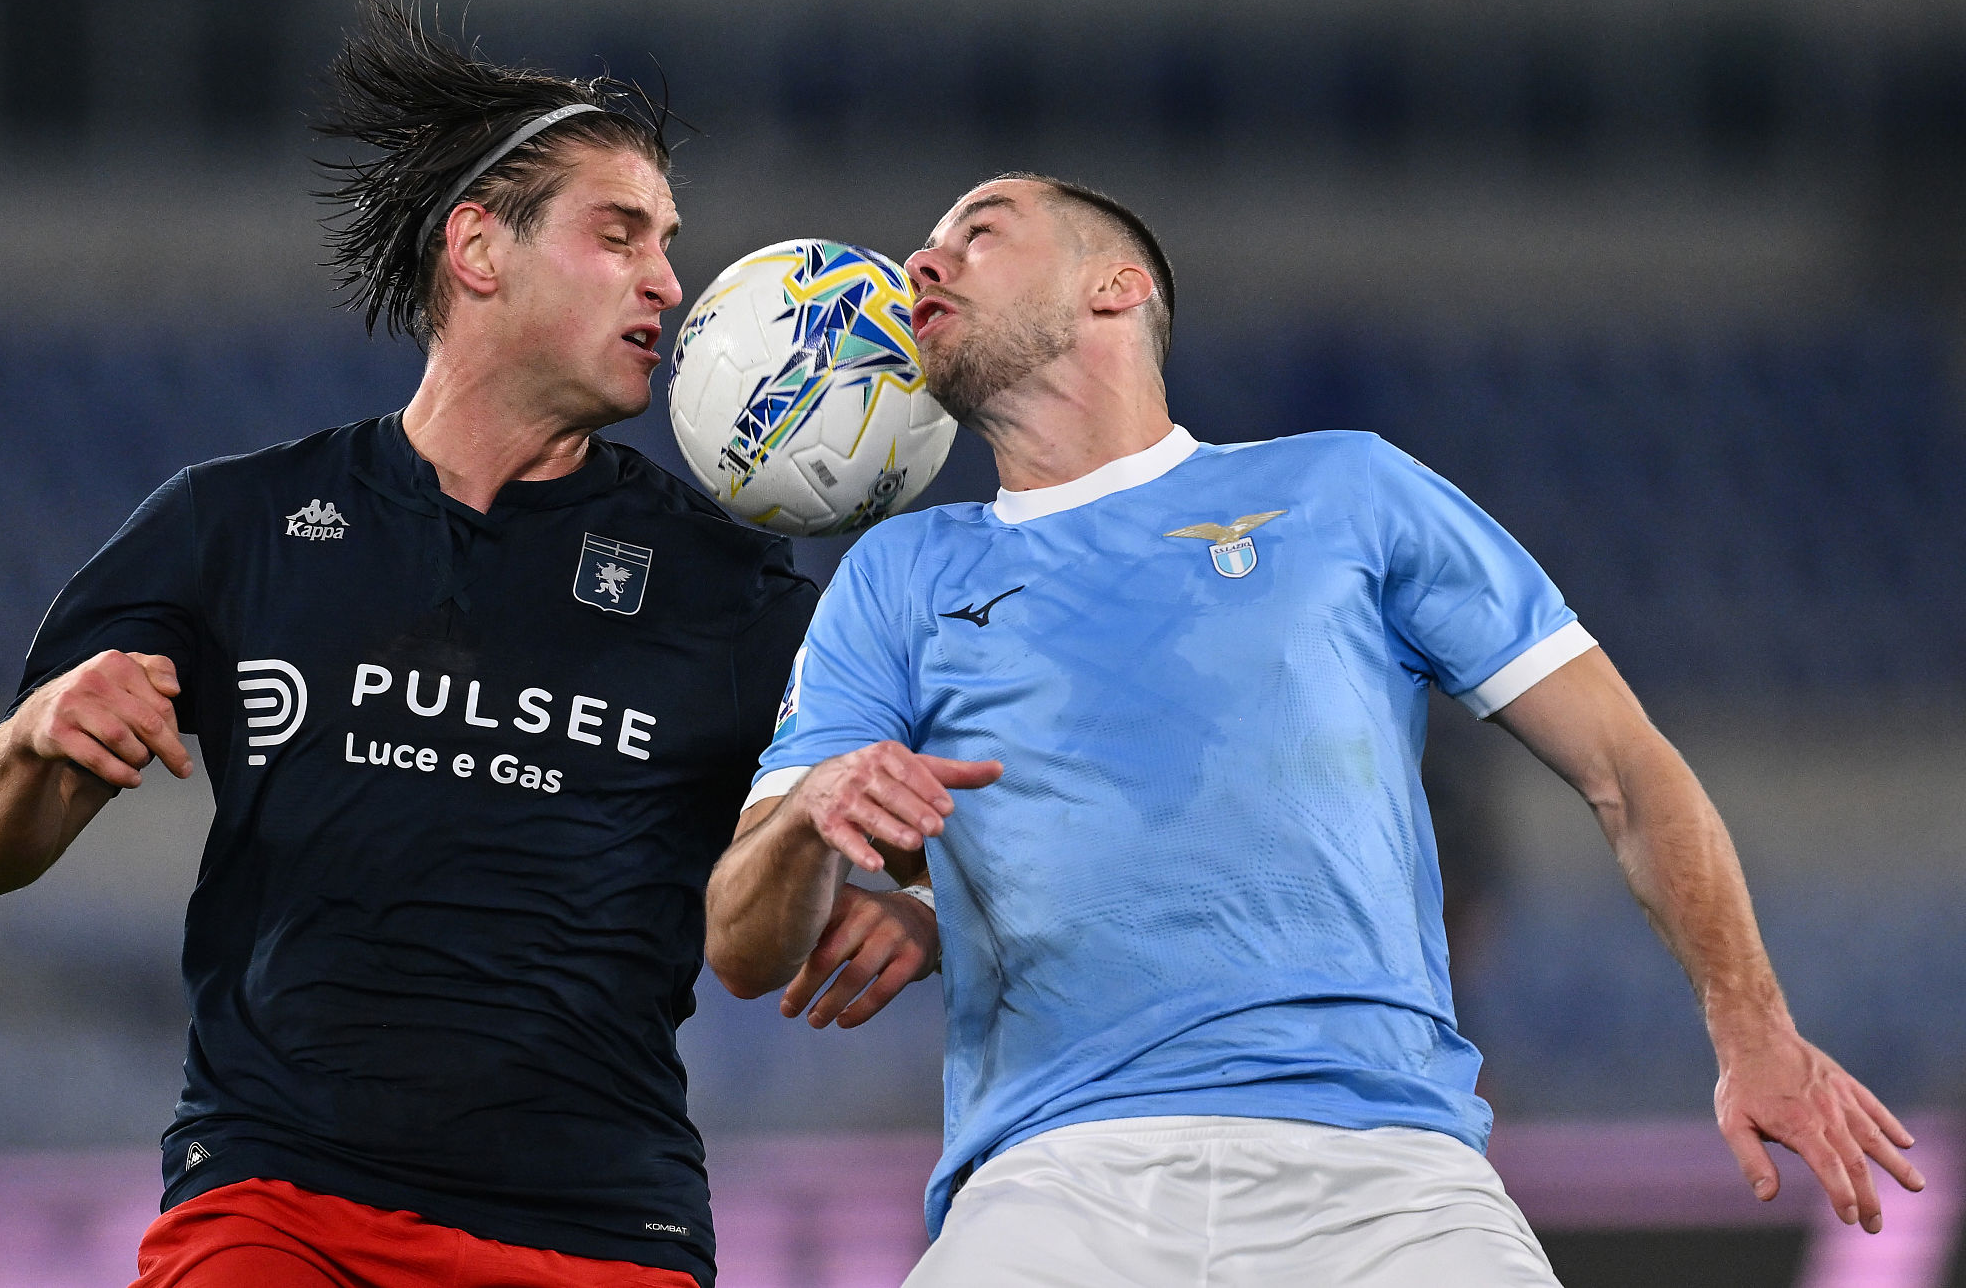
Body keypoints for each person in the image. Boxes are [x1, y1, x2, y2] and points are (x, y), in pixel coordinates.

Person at [702, 174, 1924, 1285]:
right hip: (1056, 1180)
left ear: (1112, 287)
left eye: (977, 231)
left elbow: (1624, 766)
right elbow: (742, 945)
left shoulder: (1348, 490)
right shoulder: (898, 575)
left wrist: (1750, 1025)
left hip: (1388, 1178)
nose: (920, 263)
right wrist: (813, 820)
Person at [0, 0, 815, 1288]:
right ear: (479, 248)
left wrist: (889, 882)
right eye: (618, 233)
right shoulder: (234, 522)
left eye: (667, 244)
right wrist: (29, 742)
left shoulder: (730, 591)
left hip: (596, 1232)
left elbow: (784, 926)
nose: (667, 283)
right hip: (277, 1203)